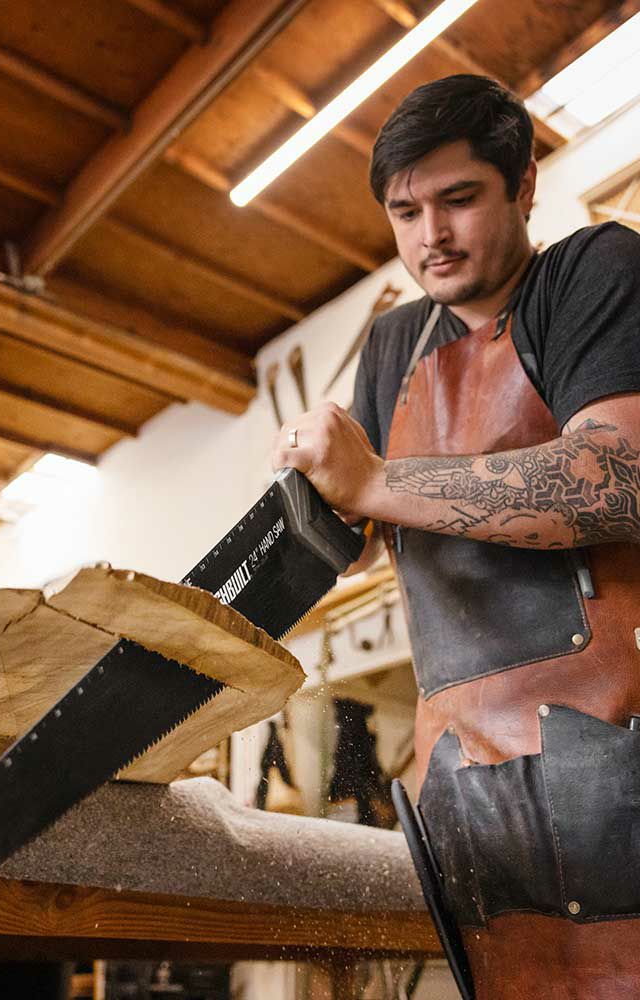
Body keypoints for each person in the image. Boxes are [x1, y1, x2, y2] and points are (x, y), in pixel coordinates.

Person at [272, 74, 640, 998]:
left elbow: (615, 480)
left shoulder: (592, 270)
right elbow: (360, 539)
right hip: (466, 778)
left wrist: (375, 480)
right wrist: (316, 494)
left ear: (524, 186)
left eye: (458, 199)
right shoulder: (395, 343)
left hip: (619, 750)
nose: (429, 235)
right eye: (405, 212)